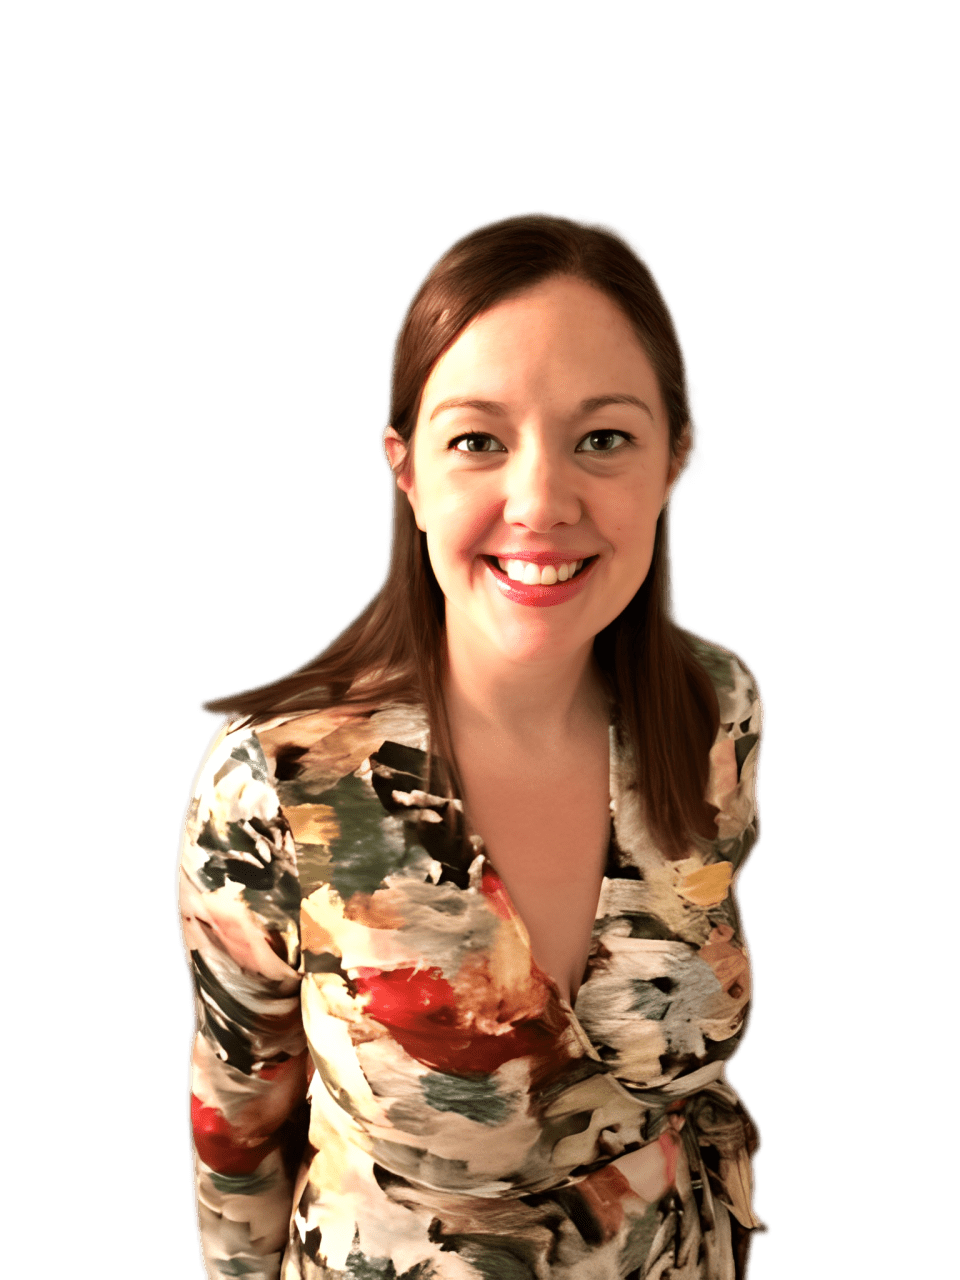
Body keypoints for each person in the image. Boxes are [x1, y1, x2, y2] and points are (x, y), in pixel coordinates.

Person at [177, 211, 767, 1280]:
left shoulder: (716, 705)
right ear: (404, 470)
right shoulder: (276, 779)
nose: (540, 500)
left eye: (603, 437)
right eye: (478, 439)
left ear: (675, 458)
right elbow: (236, 1137)